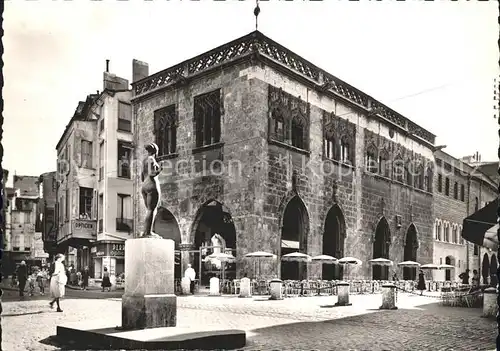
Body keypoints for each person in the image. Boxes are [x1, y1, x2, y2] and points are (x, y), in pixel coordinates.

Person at [140, 143, 161, 237]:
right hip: (151, 185)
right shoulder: (151, 159)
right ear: (156, 152)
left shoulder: (144, 160)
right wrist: (160, 169)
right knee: (152, 209)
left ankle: (145, 231)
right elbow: (152, 173)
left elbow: (141, 176)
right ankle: (148, 232)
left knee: (148, 210)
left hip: (144, 185)